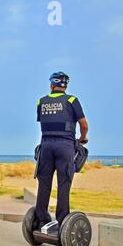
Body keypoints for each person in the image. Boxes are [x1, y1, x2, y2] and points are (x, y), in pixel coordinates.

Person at [35, 72, 88, 229]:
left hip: (45, 146)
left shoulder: (41, 102)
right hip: (65, 146)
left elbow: (44, 122)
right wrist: (82, 138)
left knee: (44, 183)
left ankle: (40, 219)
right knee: (63, 183)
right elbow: (84, 125)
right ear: (66, 85)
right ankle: (62, 221)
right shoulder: (72, 100)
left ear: (52, 85)